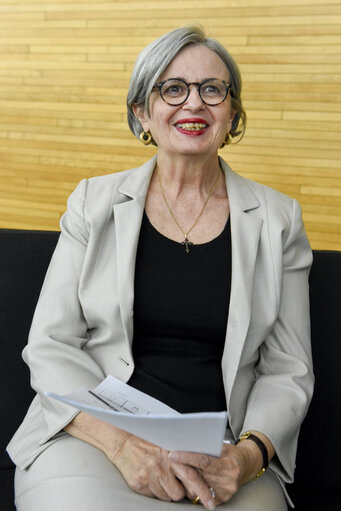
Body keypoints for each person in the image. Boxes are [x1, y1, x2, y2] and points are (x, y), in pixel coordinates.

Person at [7, 26, 313, 511]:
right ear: (142, 112)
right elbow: (50, 344)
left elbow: (288, 369)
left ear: (231, 112)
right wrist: (123, 446)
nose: (194, 104)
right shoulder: (93, 202)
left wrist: (247, 457)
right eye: (172, 89)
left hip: (220, 450)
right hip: (95, 437)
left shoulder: (278, 221)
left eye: (212, 89)